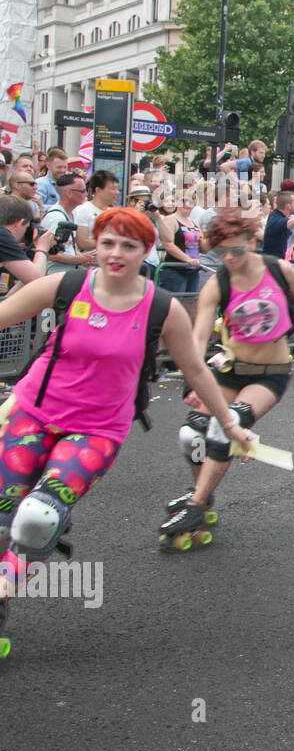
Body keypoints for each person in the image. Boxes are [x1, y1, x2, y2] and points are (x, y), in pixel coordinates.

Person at [0, 208, 256, 650]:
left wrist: (230, 422)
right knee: (4, 517)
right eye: (107, 243)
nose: (116, 254)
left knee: (37, 519)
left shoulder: (162, 308)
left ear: (146, 252)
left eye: (129, 246)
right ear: (95, 245)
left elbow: (195, 370)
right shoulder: (67, 286)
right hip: (31, 412)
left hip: (97, 430)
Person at [160, 217, 294, 543]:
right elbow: (199, 334)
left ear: (253, 241)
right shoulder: (218, 283)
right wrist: (192, 376)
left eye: (236, 250)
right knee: (192, 435)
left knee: (221, 429)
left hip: (270, 375)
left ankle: (196, 503)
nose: (229, 258)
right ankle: (203, 492)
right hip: (229, 371)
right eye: (222, 252)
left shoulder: (278, 270)